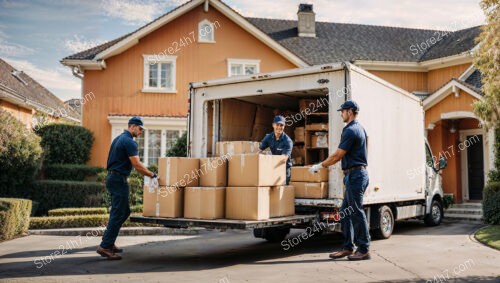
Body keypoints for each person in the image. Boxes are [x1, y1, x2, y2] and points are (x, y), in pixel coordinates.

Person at [309, 100, 371, 261]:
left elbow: (338, 155)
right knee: (345, 212)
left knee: (356, 211)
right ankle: (347, 247)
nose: (340, 113)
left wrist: (320, 165)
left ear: (349, 112)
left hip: (356, 175)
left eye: (342, 111)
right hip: (356, 174)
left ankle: (363, 249)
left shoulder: (350, 130)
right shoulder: (361, 129)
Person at [97, 116, 158, 260]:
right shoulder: (129, 142)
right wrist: (153, 175)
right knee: (119, 213)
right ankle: (105, 246)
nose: (141, 131)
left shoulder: (119, 138)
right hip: (118, 179)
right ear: (132, 126)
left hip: (114, 178)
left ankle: (109, 243)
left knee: (123, 212)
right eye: (140, 128)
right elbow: (137, 165)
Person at [257, 115, 293, 185]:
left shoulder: (288, 141)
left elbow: (283, 159)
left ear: (284, 126)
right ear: (273, 125)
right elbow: (258, 151)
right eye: (277, 125)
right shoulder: (268, 137)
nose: (279, 127)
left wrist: (268, 160)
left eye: (281, 125)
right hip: (273, 167)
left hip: (284, 169)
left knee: (282, 189)